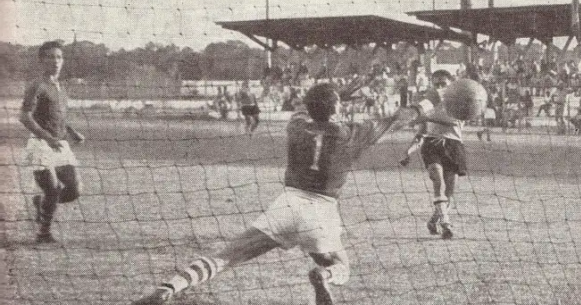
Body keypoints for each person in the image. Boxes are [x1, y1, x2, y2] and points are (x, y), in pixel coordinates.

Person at [131, 81, 436, 305]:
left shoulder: (296, 126)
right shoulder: (353, 133)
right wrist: (428, 103)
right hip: (321, 212)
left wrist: (332, 96)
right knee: (340, 265)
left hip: (286, 205)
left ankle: (168, 288)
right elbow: (399, 118)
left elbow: (305, 108)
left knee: (226, 257)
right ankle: (323, 276)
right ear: (337, 108)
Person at [20, 41, 84, 244]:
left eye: (59, 57)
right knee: (52, 189)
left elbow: (58, 116)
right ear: (41, 60)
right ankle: (43, 233)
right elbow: (24, 116)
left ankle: (40, 202)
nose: (55, 61)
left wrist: (72, 132)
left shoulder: (61, 87)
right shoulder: (37, 85)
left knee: (75, 190)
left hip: (60, 144)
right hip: (41, 144)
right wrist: (47, 137)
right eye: (50, 57)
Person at [403, 70, 467, 240]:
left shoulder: (459, 103)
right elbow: (421, 134)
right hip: (432, 146)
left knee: (449, 193)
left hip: (453, 146)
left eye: (443, 84)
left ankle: (434, 220)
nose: (439, 87)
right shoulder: (427, 106)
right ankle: (446, 224)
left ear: (451, 84)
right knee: (438, 182)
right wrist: (408, 151)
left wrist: (427, 119)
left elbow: (454, 122)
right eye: (436, 84)